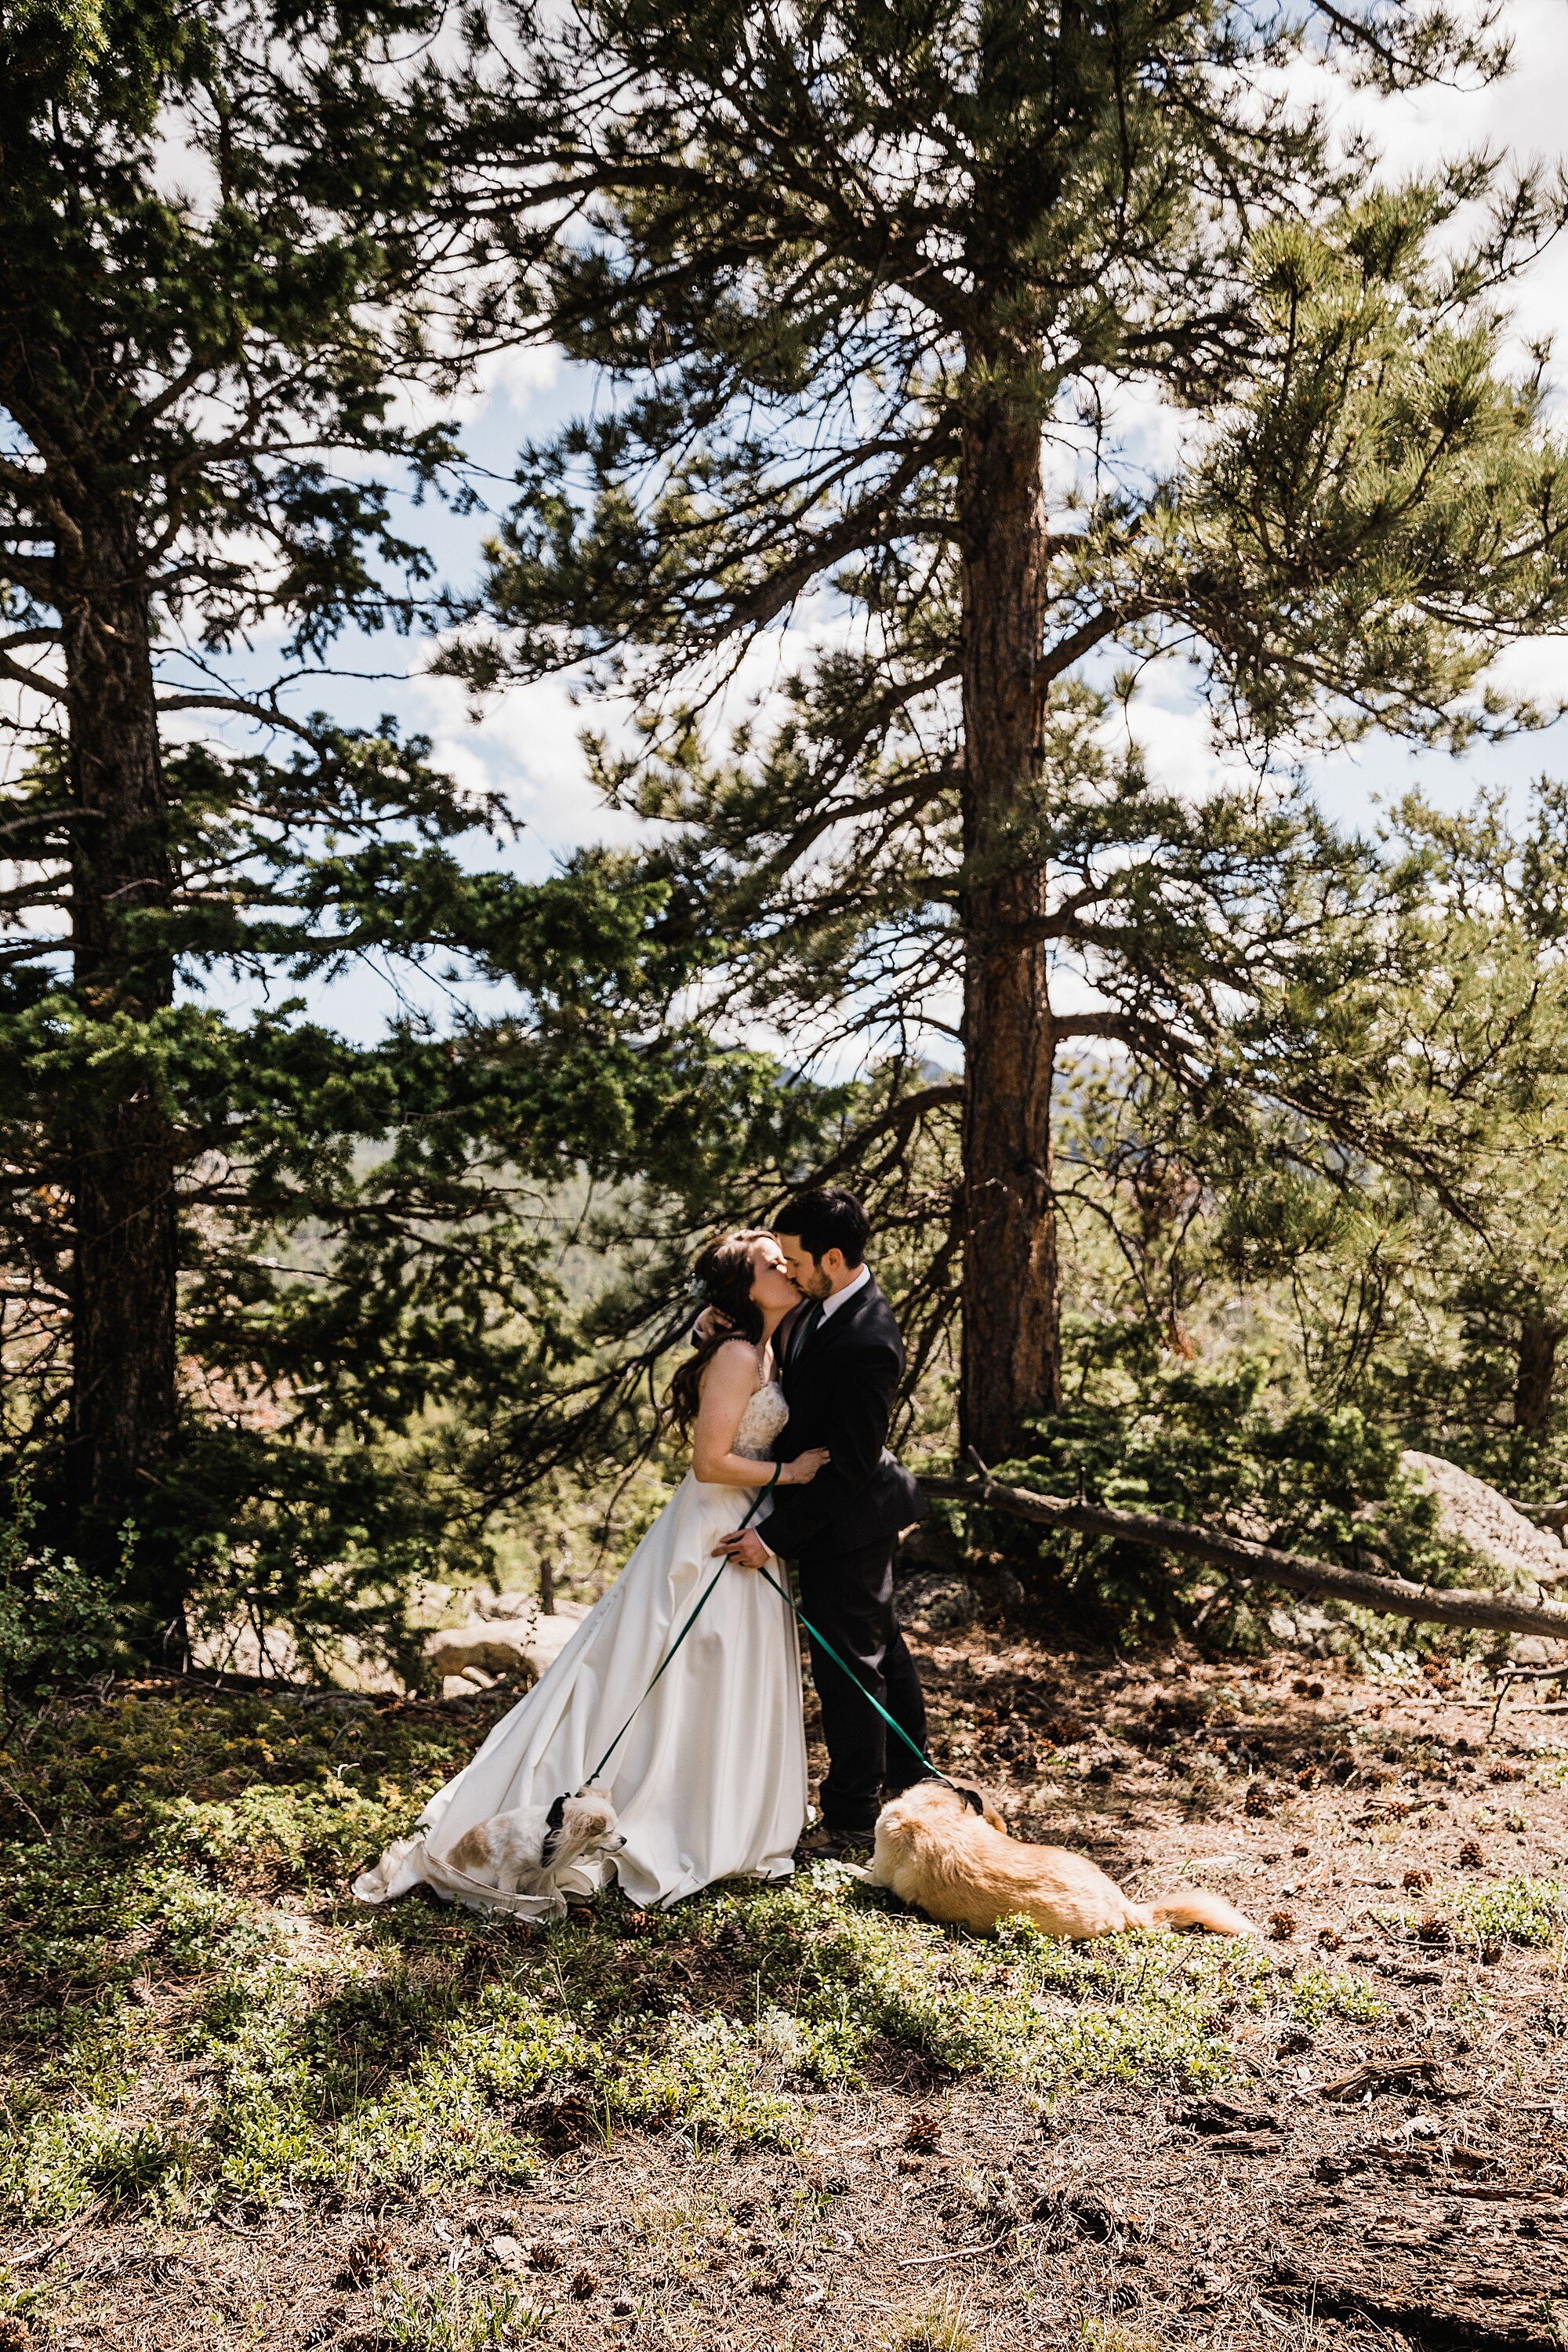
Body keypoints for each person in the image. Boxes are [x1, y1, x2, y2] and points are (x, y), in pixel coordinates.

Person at [354, 1230, 824, 1916]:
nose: (784, 1264)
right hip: (714, 1522)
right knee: (686, 1662)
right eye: (767, 1262)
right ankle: (668, 1810)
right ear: (743, 1289)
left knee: (726, 1668)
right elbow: (710, 1461)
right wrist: (792, 1470)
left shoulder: (767, 1342)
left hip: (749, 1523)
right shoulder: (738, 1354)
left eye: (785, 1258)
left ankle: (725, 1809)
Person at [713, 1186, 931, 1855]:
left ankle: (851, 1818)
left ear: (833, 1259)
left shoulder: (868, 1338)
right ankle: (914, 1784)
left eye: (799, 1261)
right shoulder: (822, 1303)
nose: (789, 1271)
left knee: (852, 1667)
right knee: (882, 1651)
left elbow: (853, 1464)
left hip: (850, 1520)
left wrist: (773, 1537)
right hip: (836, 1512)